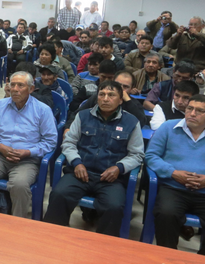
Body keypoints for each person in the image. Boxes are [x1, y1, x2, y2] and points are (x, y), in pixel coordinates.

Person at [44, 80, 144, 236]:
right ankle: (52, 238)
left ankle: (103, 246)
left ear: (120, 100)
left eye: (111, 95)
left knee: (114, 207)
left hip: (110, 178)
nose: (105, 99)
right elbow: (69, 143)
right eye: (101, 94)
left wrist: (119, 168)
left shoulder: (131, 122)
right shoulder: (83, 116)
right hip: (80, 173)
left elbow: (137, 154)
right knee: (59, 195)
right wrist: (77, 163)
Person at [145, 95, 205, 260]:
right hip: (174, 188)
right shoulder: (168, 127)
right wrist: (173, 173)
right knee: (166, 214)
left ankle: (202, 263)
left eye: (200, 111)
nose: (192, 113)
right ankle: (167, 260)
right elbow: (151, 156)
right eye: (190, 108)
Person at [0, 71, 58, 218]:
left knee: (19, 185)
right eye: (13, 85)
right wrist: (0, 147)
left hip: (27, 160)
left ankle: (17, 223)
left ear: (31, 89)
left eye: (20, 85)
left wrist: (27, 152)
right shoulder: (0, 105)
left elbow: (50, 141)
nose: (15, 89)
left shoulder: (42, 110)